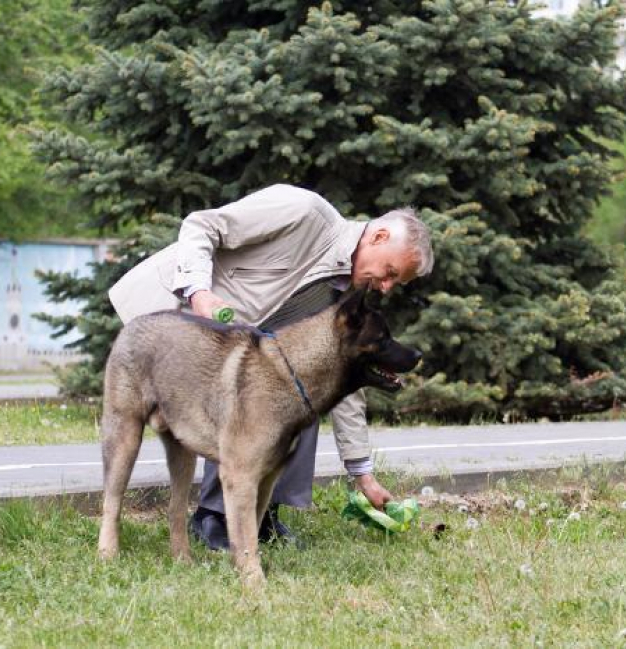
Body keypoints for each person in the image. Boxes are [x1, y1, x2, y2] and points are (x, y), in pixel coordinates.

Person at [108, 183, 434, 550]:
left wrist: (362, 473)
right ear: (379, 235)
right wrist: (199, 293)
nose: (386, 287)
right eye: (390, 272)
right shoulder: (304, 211)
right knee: (247, 405)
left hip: (234, 352)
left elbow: (342, 386)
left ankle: (262, 515)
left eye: (395, 282)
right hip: (172, 322)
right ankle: (215, 516)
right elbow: (201, 225)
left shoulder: (344, 301)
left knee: (305, 393)